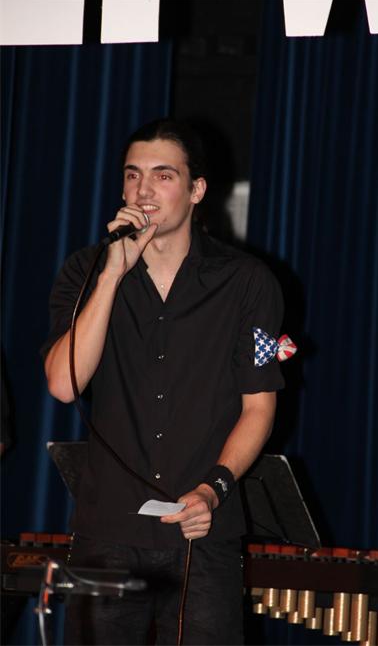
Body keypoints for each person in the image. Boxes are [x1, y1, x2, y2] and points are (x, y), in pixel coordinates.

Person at [42, 118, 285, 645]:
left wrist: (214, 491)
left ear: (197, 190)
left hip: (202, 530)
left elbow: (259, 408)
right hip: (108, 530)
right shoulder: (88, 270)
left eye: (163, 175)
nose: (144, 191)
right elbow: (63, 384)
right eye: (133, 176)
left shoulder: (247, 282)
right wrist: (112, 274)